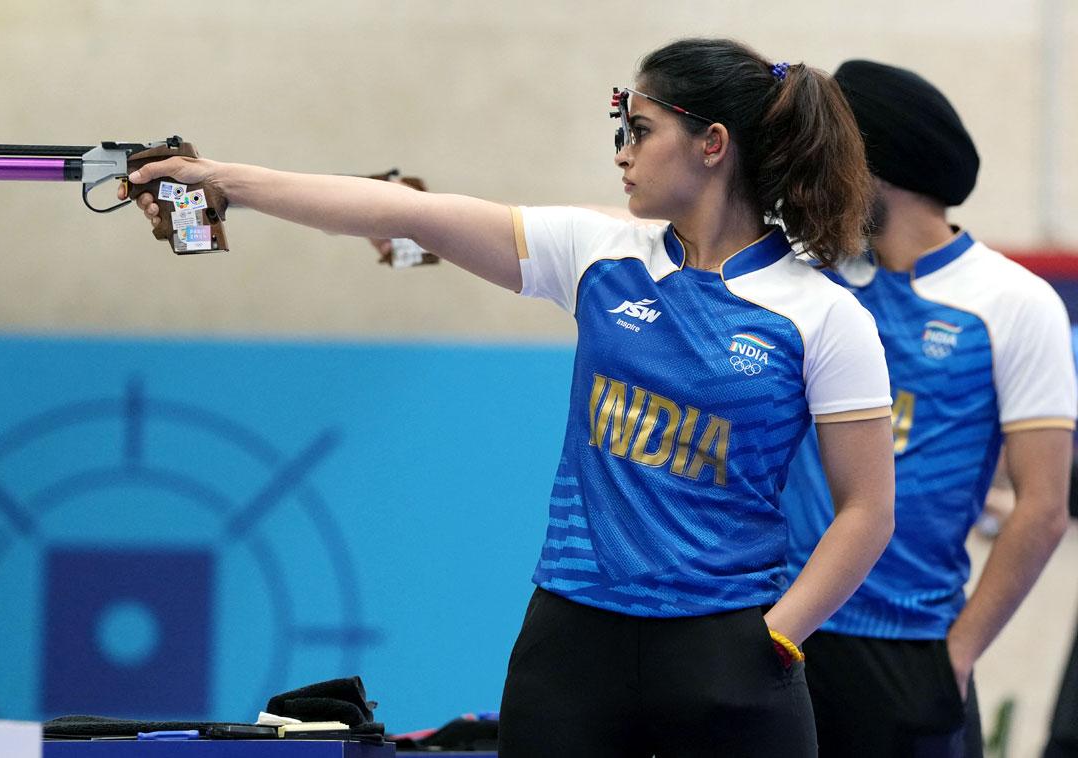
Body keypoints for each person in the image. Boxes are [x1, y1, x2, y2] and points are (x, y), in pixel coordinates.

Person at [122, 38, 896, 757]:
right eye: (619, 131)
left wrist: (779, 638)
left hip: (729, 651)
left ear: (712, 144)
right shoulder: (598, 252)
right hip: (571, 643)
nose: (621, 154)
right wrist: (222, 183)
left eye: (639, 130)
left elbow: (866, 509)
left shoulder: (823, 315)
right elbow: (405, 213)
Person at [780, 60, 1077, 757]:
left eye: (835, 159)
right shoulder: (811, 282)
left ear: (874, 167)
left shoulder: (1013, 302)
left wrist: (957, 655)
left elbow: (1042, 505)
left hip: (911, 649)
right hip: (785, 632)